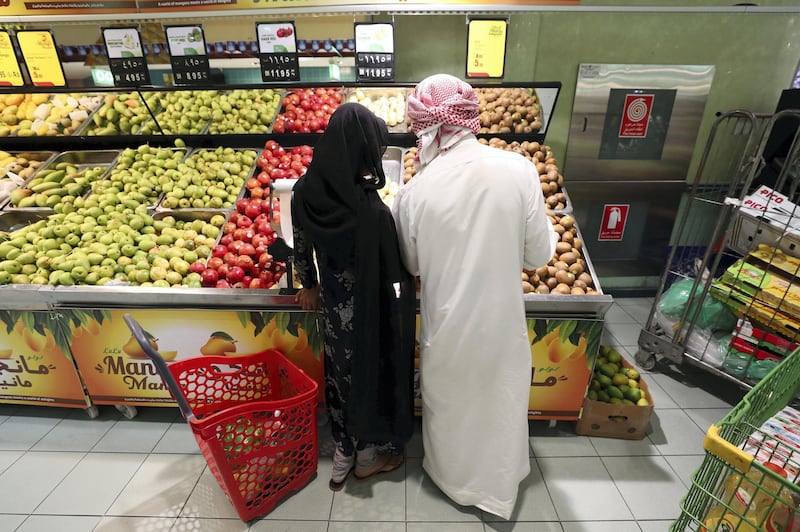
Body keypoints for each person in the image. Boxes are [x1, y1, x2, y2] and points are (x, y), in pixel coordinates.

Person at [391, 74, 557, 520]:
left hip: (448, 328)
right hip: (502, 327)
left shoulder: (413, 193)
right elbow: (540, 254)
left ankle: (455, 483)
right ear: (470, 119)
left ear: (424, 129)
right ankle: (499, 486)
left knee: (452, 408)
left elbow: (413, 266)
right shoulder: (518, 170)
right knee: (501, 404)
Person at [291, 102, 416, 492]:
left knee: (340, 375)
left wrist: (309, 284)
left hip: (333, 307)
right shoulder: (371, 209)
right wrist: (405, 295)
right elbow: (393, 270)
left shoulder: (305, 192)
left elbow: (301, 246)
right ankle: (367, 455)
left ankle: (342, 452)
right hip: (372, 308)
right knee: (371, 371)